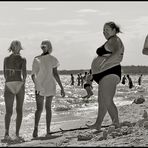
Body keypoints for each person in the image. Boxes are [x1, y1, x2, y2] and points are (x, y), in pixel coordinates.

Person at [86, 21, 124, 131]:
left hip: (110, 72)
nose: (104, 32)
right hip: (104, 73)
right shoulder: (111, 41)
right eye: (103, 30)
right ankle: (98, 124)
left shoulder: (114, 40)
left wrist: (104, 63)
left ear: (114, 30)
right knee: (101, 101)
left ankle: (116, 123)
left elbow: (118, 53)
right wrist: (92, 73)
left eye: (107, 29)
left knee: (107, 99)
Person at [31, 40, 65, 138]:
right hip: (49, 85)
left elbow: (32, 75)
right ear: (50, 48)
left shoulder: (37, 59)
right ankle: (48, 130)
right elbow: (55, 74)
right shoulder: (52, 59)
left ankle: (36, 128)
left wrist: (36, 84)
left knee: (39, 109)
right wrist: (62, 87)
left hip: (41, 85)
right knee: (47, 108)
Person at [3, 40, 27, 140]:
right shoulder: (23, 59)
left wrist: (9, 80)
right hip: (19, 83)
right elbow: (24, 74)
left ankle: (7, 134)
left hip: (9, 84)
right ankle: (17, 134)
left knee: (8, 112)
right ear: (20, 48)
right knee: (19, 110)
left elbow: (5, 74)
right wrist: (23, 83)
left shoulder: (6, 59)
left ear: (11, 47)